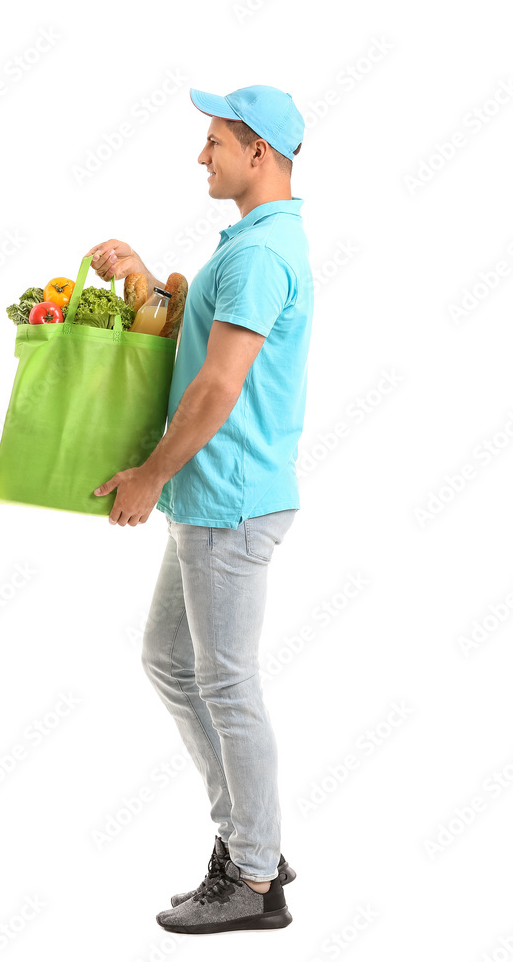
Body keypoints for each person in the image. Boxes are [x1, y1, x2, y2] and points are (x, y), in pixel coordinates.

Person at [86, 84, 313, 935]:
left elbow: (219, 385)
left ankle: (253, 876)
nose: (201, 155)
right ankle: (252, 843)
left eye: (214, 141)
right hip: (212, 497)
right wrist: (146, 279)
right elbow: (200, 343)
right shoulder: (252, 245)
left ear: (259, 153)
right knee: (171, 661)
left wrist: (147, 473)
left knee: (224, 682)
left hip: (226, 500)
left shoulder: (260, 254)